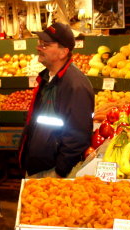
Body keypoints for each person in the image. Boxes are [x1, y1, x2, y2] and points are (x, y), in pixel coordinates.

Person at [19, 22, 94, 178]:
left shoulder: (75, 86)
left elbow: (78, 137)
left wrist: (59, 171)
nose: (39, 47)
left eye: (46, 45)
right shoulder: (47, 78)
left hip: (52, 172)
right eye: (40, 43)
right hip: (39, 168)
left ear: (63, 52)